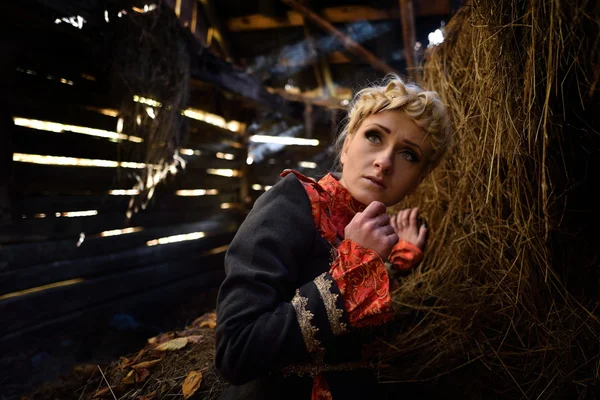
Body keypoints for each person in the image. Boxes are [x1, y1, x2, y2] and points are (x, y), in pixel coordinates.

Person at [215, 75, 452, 400]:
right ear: (345, 146)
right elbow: (235, 351)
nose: (384, 162)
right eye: (374, 136)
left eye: (408, 155)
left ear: (418, 181)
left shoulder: (376, 228)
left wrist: (397, 261)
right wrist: (355, 269)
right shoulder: (290, 202)